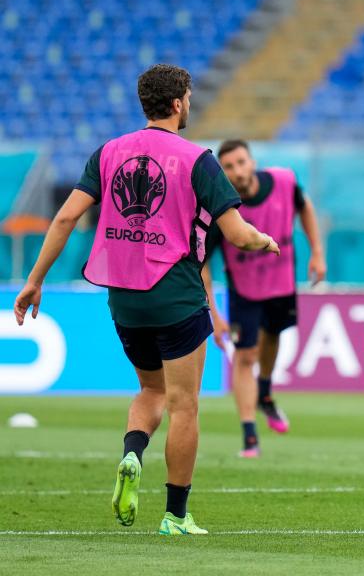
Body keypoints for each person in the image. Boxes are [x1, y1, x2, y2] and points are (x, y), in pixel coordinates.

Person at [13, 64, 281, 535]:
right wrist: (264, 239)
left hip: (124, 300)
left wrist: (35, 280)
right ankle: (176, 516)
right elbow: (236, 236)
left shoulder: (108, 152)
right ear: (178, 103)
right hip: (177, 298)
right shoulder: (199, 160)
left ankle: (133, 455)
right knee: (184, 404)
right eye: (190, 97)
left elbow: (63, 219)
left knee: (150, 390)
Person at [201, 140, 326, 457]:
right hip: (244, 291)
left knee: (273, 338)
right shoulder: (222, 208)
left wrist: (317, 253)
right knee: (245, 357)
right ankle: (249, 435)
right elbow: (202, 263)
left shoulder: (284, 181)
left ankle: (266, 394)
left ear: (253, 161)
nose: (237, 171)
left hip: (281, 284)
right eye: (228, 166)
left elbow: (306, 207)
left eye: (241, 162)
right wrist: (214, 315)